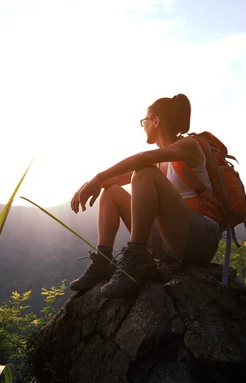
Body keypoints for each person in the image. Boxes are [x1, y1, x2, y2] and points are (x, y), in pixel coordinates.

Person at [69, 93, 222, 298]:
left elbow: (143, 159)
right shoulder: (160, 162)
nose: (143, 126)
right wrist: (91, 185)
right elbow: (113, 180)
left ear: (156, 121)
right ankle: (104, 261)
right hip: (171, 243)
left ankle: (137, 257)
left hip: (200, 239)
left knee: (142, 170)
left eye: (145, 121)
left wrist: (99, 176)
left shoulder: (189, 145)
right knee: (111, 191)